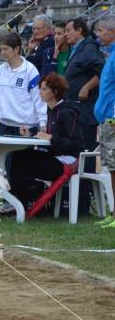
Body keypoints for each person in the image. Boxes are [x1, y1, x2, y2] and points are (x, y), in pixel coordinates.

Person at [0, 33, 47, 215]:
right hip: (6, 125)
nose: (2, 52)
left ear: (16, 50)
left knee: (21, 167)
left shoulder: (30, 71)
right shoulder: (1, 71)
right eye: (1, 49)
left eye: (6, 49)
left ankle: (22, 202)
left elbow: (39, 100)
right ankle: (9, 202)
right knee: (5, 166)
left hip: (25, 127)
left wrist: (42, 122)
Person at [9, 73, 84, 209]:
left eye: (44, 89)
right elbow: (52, 139)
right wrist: (31, 135)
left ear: (54, 92)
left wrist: (50, 138)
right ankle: (17, 203)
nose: (40, 93)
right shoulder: (53, 111)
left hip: (68, 162)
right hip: (56, 157)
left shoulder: (66, 112)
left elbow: (76, 144)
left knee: (22, 161)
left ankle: (18, 204)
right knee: (19, 155)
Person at [64, 17, 105, 214]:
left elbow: (102, 71)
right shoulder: (79, 50)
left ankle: (83, 204)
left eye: (69, 30)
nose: (66, 34)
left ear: (79, 30)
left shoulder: (89, 49)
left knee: (84, 157)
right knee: (76, 156)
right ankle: (75, 201)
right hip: (76, 111)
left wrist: (86, 87)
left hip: (85, 112)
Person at [93, 15, 115, 228]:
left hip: (112, 119)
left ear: (112, 32)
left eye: (101, 30)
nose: (98, 35)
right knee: (110, 167)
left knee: (114, 167)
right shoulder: (111, 55)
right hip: (106, 119)